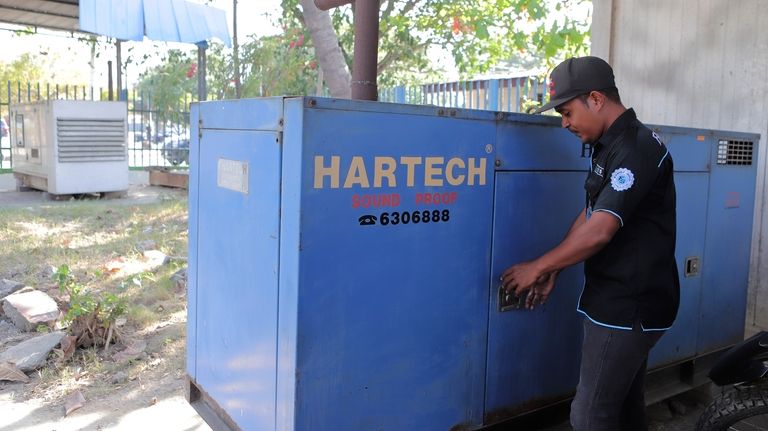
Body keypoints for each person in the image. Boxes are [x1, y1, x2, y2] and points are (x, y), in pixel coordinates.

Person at [501, 56, 679, 431]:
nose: (564, 123)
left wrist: (537, 267)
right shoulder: (609, 144)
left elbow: (600, 230)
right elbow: (589, 214)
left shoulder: (635, 149)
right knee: (624, 407)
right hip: (616, 299)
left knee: (589, 415)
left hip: (629, 306)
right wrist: (556, 267)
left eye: (567, 112)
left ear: (595, 99)